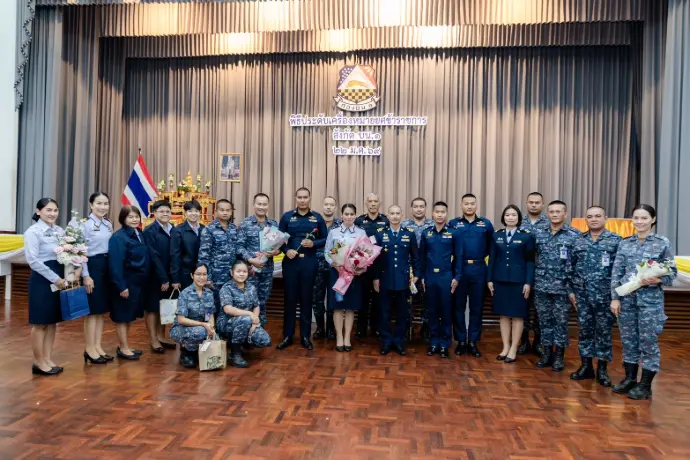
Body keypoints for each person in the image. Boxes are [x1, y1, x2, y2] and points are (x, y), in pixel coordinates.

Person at [610, 204, 676, 400]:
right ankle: (630, 379)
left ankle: (645, 384)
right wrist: (615, 298)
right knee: (628, 341)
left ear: (653, 220)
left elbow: (672, 273)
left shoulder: (661, 243)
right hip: (627, 300)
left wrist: (658, 279)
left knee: (648, 342)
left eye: (644, 218)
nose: (639, 222)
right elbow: (616, 273)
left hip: (650, 302)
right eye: (636, 218)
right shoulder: (625, 243)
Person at [569, 206, 621, 386]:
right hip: (582, 295)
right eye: (590, 216)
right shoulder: (578, 241)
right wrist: (571, 291)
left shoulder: (615, 241)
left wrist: (616, 296)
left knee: (604, 332)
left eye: (598, 216)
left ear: (605, 218)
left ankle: (602, 370)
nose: (594, 219)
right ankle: (586, 367)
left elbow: (620, 270)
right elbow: (570, 267)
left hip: (605, 296)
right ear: (586, 219)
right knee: (585, 331)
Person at [277, 187, 328, 350]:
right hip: (290, 263)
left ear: (309, 198)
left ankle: (305, 336)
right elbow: (277, 240)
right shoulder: (287, 217)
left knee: (306, 299)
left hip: (309, 263)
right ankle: (288, 335)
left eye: (305, 197)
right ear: (295, 198)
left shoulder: (317, 218)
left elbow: (326, 239)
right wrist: (286, 250)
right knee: (290, 299)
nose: (302, 200)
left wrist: (314, 243)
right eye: (299, 197)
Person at [533, 200, 580, 371]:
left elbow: (577, 262)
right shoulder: (538, 233)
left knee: (561, 322)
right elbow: (533, 255)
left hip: (563, 287)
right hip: (541, 285)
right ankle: (546, 354)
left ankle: (559, 356)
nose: (554, 214)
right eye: (551, 212)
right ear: (547, 214)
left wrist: (573, 287)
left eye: (558, 211)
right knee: (544, 321)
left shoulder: (574, 235)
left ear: (565, 214)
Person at [487, 205, 535, 363]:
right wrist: (489, 279)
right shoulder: (496, 235)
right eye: (507, 214)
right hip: (500, 280)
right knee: (504, 315)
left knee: (518, 315)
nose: (510, 217)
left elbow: (530, 261)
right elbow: (492, 259)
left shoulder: (527, 236)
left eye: (514, 214)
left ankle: (514, 348)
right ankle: (505, 347)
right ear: (503, 217)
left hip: (519, 281)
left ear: (519, 217)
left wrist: (528, 282)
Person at [24, 198, 66, 375]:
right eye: (48, 210)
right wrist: (55, 278)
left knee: (51, 321)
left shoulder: (60, 231)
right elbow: (33, 261)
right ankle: (38, 361)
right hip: (42, 280)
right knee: (40, 323)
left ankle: (48, 358)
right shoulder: (33, 232)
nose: (52, 214)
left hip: (59, 278)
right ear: (38, 211)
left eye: (55, 210)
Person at [449, 193, 494, 358]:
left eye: (472, 203)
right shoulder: (453, 224)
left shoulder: (486, 224)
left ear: (476, 205)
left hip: (479, 268)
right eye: (466, 203)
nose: (469, 206)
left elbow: (491, 247)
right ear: (461, 205)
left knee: (477, 307)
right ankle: (461, 341)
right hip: (459, 268)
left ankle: (473, 341)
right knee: (458, 306)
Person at [373, 205, 420, 356]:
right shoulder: (380, 233)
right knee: (384, 312)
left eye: (397, 213)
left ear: (402, 215)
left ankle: (399, 341)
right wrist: (375, 277)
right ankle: (386, 341)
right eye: (392, 213)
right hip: (385, 279)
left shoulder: (409, 233)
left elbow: (415, 256)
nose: (394, 216)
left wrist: (416, 275)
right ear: (387, 216)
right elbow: (374, 258)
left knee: (402, 313)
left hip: (403, 280)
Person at [419, 201, 463, 358]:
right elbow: (422, 257)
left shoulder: (454, 233)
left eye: (442, 212)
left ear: (446, 214)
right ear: (432, 214)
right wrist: (422, 276)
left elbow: (459, 256)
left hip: (446, 276)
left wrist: (457, 277)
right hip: (430, 276)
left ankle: (445, 344)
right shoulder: (426, 233)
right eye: (437, 212)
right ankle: (434, 342)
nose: (439, 214)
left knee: (446, 311)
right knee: (431, 311)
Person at [108, 206, 151, 360]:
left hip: (137, 283)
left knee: (129, 315)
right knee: (122, 316)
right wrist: (121, 286)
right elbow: (115, 264)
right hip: (125, 282)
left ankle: (125, 345)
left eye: (136, 216)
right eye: (130, 217)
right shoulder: (118, 237)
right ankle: (123, 348)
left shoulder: (139, 233)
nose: (134, 219)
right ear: (123, 219)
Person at [324, 203, 367, 352]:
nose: (349, 217)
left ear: (355, 216)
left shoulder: (361, 232)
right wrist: (334, 264)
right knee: (338, 306)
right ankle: (339, 337)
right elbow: (327, 252)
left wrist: (360, 266)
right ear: (341, 215)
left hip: (353, 275)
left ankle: (347, 337)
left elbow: (366, 253)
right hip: (337, 273)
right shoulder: (334, 232)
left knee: (350, 307)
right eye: (346, 214)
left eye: (351, 214)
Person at [217, 261, 272, 367]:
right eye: (238, 271)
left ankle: (243, 342)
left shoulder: (251, 287)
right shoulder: (226, 288)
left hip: (247, 321)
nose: (241, 274)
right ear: (232, 272)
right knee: (246, 319)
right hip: (227, 322)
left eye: (244, 271)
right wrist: (250, 315)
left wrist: (254, 321)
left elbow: (256, 305)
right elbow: (228, 309)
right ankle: (235, 353)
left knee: (264, 340)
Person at [80, 192, 114, 364]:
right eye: (99, 203)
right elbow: (80, 252)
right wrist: (86, 275)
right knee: (92, 311)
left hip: (106, 266)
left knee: (101, 311)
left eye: (106, 203)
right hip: (92, 266)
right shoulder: (84, 225)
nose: (103, 207)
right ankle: (89, 348)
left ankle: (98, 346)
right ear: (91, 205)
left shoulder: (108, 224)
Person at [237, 193, 279, 326]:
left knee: (263, 301)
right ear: (254, 205)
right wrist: (251, 260)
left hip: (267, 270)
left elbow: (277, 246)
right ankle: (247, 329)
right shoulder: (245, 224)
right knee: (248, 301)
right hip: (250, 271)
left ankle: (260, 329)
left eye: (264, 204)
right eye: (259, 204)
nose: (261, 207)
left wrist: (276, 252)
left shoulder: (273, 224)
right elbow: (239, 247)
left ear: (268, 206)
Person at [354, 193, 389, 338]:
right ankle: (360, 329)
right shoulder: (359, 221)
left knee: (378, 299)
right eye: (370, 201)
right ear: (366, 203)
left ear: (379, 203)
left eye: (375, 201)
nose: (373, 204)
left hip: (379, 266)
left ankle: (375, 328)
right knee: (362, 299)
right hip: (362, 267)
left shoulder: (385, 220)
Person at [143, 200, 176, 353]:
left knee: (165, 307)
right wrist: (163, 278)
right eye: (161, 211)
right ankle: (153, 339)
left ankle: (162, 336)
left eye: (167, 211)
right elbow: (153, 256)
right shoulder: (150, 231)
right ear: (154, 213)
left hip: (169, 275)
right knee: (152, 308)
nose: (165, 214)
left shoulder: (173, 229)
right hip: (155, 275)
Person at [519, 192, 550, 355]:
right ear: (526, 203)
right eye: (531, 202)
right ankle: (523, 341)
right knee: (522, 307)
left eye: (537, 202)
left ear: (542, 204)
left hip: (543, 274)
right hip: (522, 273)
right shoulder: (519, 222)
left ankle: (538, 342)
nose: (534, 205)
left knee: (540, 310)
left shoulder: (549, 223)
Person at [170, 263, 216, 369]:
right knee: (200, 331)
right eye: (198, 274)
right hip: (181, 328)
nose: (202, 277)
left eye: (204, 274)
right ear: (192, 275)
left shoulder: (209, 293)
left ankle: (197, 352)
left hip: (201, 327)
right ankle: (187, 353)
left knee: (210, 332)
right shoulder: (185, 294)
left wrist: (211, 327)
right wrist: (204, 325)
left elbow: (209, 313)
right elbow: (181, 320)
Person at [197, 199, 238, 314]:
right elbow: (203, 255)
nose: (225, 212)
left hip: (231, 277)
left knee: (228, 307)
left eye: (228, 210)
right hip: (215, 278)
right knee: (212, 308)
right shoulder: (209, 230)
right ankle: (211, 326)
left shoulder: (234, 229)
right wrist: (207, 277)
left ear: (231, 212)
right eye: (222, 210)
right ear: (216, 211)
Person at [401, 197, 433, 340]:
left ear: (426, 208)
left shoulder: (432, 225)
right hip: (409, 269)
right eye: (416, 206)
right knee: (407, 300)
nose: (419, 209)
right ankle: (408, 326)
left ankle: (426, 326)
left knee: (428, 299)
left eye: (421, 206)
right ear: (411, 208)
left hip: (427, 268)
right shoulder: (404, 225)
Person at [313, 196, 342, 340]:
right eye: (326, 204)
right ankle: (320, 328)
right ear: (322, 206)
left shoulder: (340, 224)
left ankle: (331, 328)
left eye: (331, 205)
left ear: (335, 208)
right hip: (316, 266)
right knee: (317, 298)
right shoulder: (315, 222)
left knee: (332, 298)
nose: (329, 207)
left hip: (334, 267)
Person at [170, 200, 205, 291]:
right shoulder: (178, 230)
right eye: (190, 211)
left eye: (196, 211)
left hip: (202, 273)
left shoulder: (204, 229)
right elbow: (175, 256)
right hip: (185, 274)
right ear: (185, 213)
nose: (194, 213)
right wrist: (175, 279)